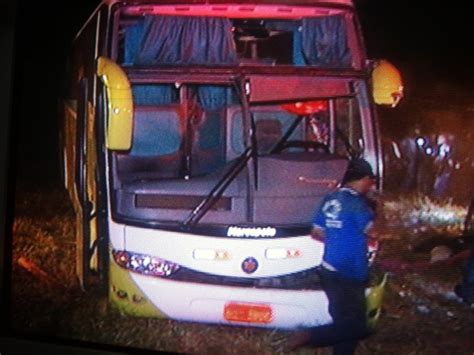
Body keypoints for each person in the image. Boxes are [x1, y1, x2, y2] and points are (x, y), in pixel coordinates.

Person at [287, 158, 378, 355]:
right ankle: (311, 336)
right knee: (359, 327)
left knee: (343, 322)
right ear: (362, 179)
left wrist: (339, 237)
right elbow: (375, 232)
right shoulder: (357, 204)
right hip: (350, 270)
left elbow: (316, 233)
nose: (371, 185)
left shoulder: (330, 198)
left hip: (329, 268)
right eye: (370, 180)